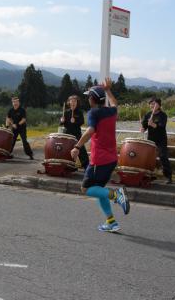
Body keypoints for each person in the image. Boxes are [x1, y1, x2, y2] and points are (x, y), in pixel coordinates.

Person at [70, 78, 130, 233]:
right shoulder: (111, 111)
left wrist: (77, 146)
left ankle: (116, 195)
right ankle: (111, 222)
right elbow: (115, 103)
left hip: (99, 160)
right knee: (99, 190)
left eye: (88, 97)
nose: (87, 99)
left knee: (86, 188)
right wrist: (108, 90)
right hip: (111, 159)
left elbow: (90, 131)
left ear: (92, 99)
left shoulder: (93, 113)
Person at [141, 97, 173, 184]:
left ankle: (168, 177)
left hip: (161, 139)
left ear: (159, 105)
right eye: (151, 104)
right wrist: (143, 128)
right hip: (151, 139)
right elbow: (145, 125)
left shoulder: (163, 115)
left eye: (154, 104)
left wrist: (153, 124)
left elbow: (161, 127)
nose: (152, 105)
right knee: (148, 157)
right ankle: (149, 175)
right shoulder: (148, 115)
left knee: (163, 156)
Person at [60, 95, 89, 170]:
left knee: (81, 150)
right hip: (68, 133)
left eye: (75, 101)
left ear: (77, 103)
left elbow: (82, 122)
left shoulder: (79, 112)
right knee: (68, 150)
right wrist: (61, 121)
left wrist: (75, 121)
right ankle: (74, 166)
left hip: (77, 134)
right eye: (71, 101)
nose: (73, 102)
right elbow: (62, 124)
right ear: (69, 102)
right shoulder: (66, 112)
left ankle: (86, 166)